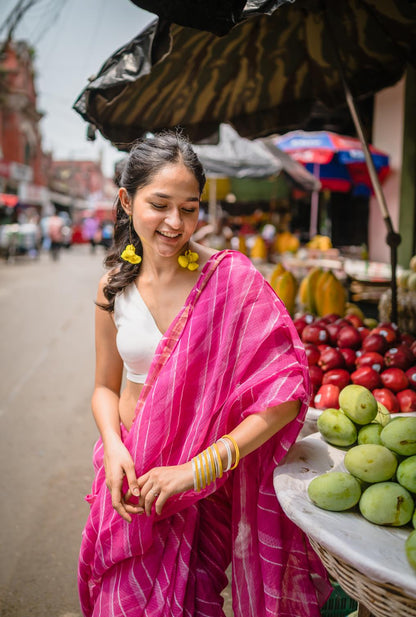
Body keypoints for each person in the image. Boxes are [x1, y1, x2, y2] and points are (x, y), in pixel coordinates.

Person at [78, 132, 331, 617]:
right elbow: (105, 386)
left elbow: (287, 395)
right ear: (127, 202)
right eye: (160, 204)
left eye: (189, 208)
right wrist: (112, 445)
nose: (176, 223)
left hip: (199, 497)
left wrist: (195, 471)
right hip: (129, 483)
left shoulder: (230, 281)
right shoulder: (113, 286)